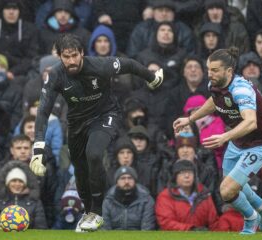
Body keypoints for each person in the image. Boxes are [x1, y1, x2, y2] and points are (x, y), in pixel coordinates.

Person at [29, 33, 163, 232]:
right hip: (76, 123)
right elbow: (43, 111)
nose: (71, 61)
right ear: (60, 57)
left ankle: (97, 213)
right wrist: (38, 149)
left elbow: (130, 65)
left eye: (75, 55)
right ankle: (88, 212)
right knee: (80, 168)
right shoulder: (56, 75)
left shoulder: (101, 65)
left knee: (93, 154)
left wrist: (152, 78)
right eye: (66, 57)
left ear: (82, 53)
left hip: (105, 115)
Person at [173, 47, 262, 234]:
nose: (209, 74)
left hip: (260, 144)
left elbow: (251, 122)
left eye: (214, 70)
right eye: (208, 69)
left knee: (227, 190)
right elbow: (214, 101)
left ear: (229, 71)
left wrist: (224, 136)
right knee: (232, 185)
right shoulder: (216, 84)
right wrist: (190, 119)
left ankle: (251, 218)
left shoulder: (241, 90)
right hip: (238, 142)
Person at [102, 166, 156, 230]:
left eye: (130, 178)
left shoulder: (146, 200)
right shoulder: (108, 201)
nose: (126, 181)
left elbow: (147, 229)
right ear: (117, 182)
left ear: (135, 181)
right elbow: (106, 229)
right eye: (122, 178)